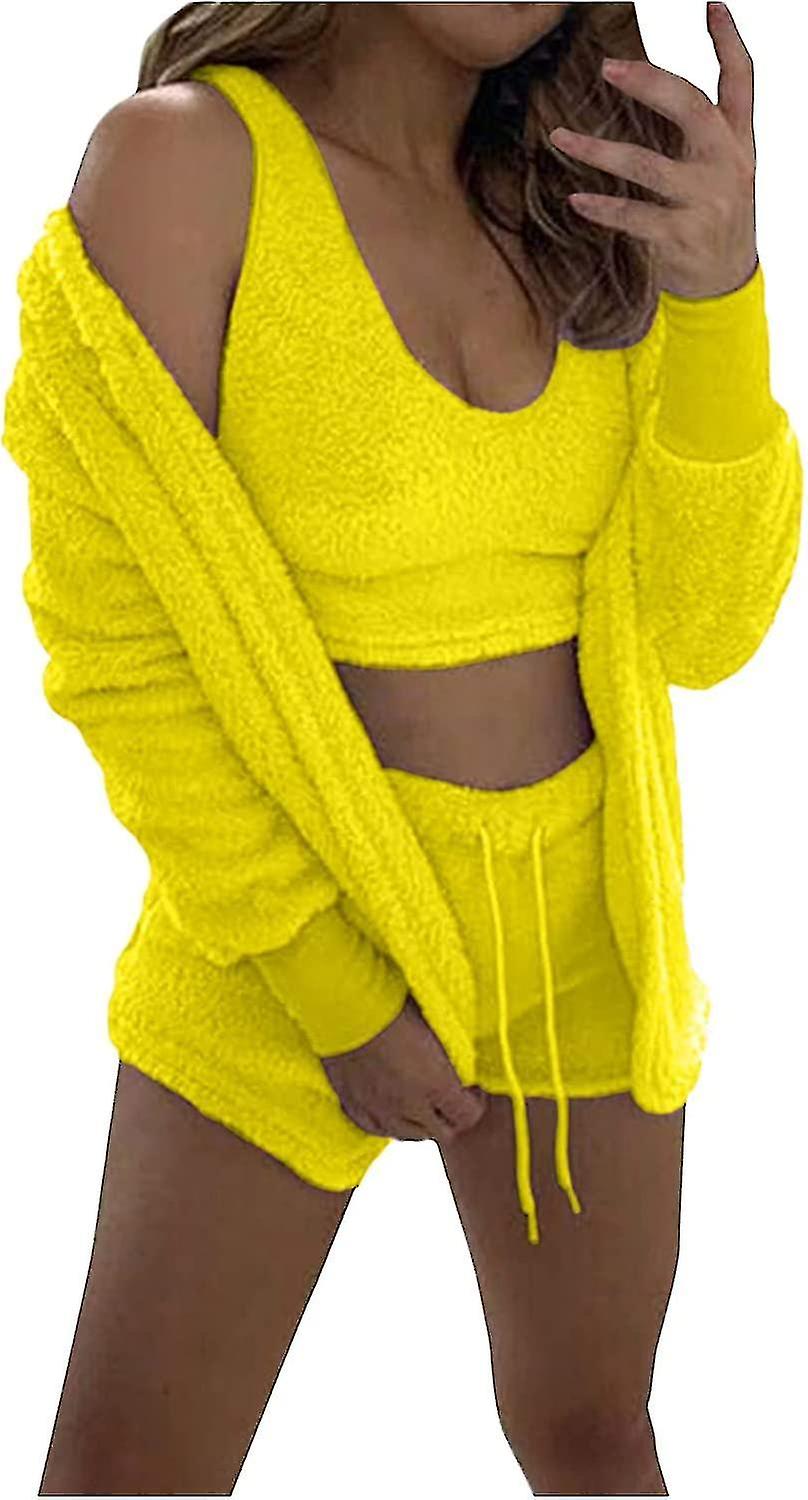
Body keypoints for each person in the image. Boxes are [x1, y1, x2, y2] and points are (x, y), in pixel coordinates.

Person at [6, 3, 798, 1495]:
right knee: (129, 1472)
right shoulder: (186, 166)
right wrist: (329, 982)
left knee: (596, 1437)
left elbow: (707, 629)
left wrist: (720, 296)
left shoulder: (585, 192)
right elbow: (118, 642)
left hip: (584, 926)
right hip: (287, 926)